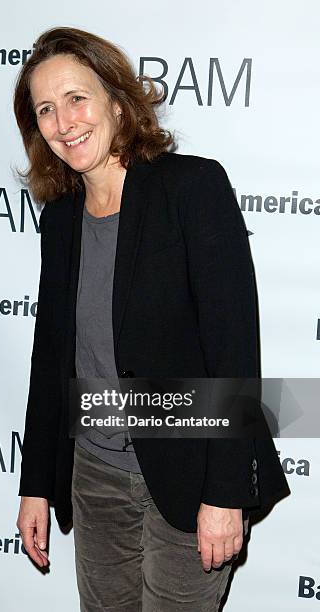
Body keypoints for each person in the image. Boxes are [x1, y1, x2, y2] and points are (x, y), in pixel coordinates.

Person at [14, 26, 290, 611]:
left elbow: (233, 351)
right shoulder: (60, 218)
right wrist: (36, 484)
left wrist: (224, 493)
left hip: (190, 471)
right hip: (94, 476)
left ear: (116, 100)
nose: (64, 122)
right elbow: (51, 359)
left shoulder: (192, 188)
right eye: (45, 109)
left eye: (76, 98)